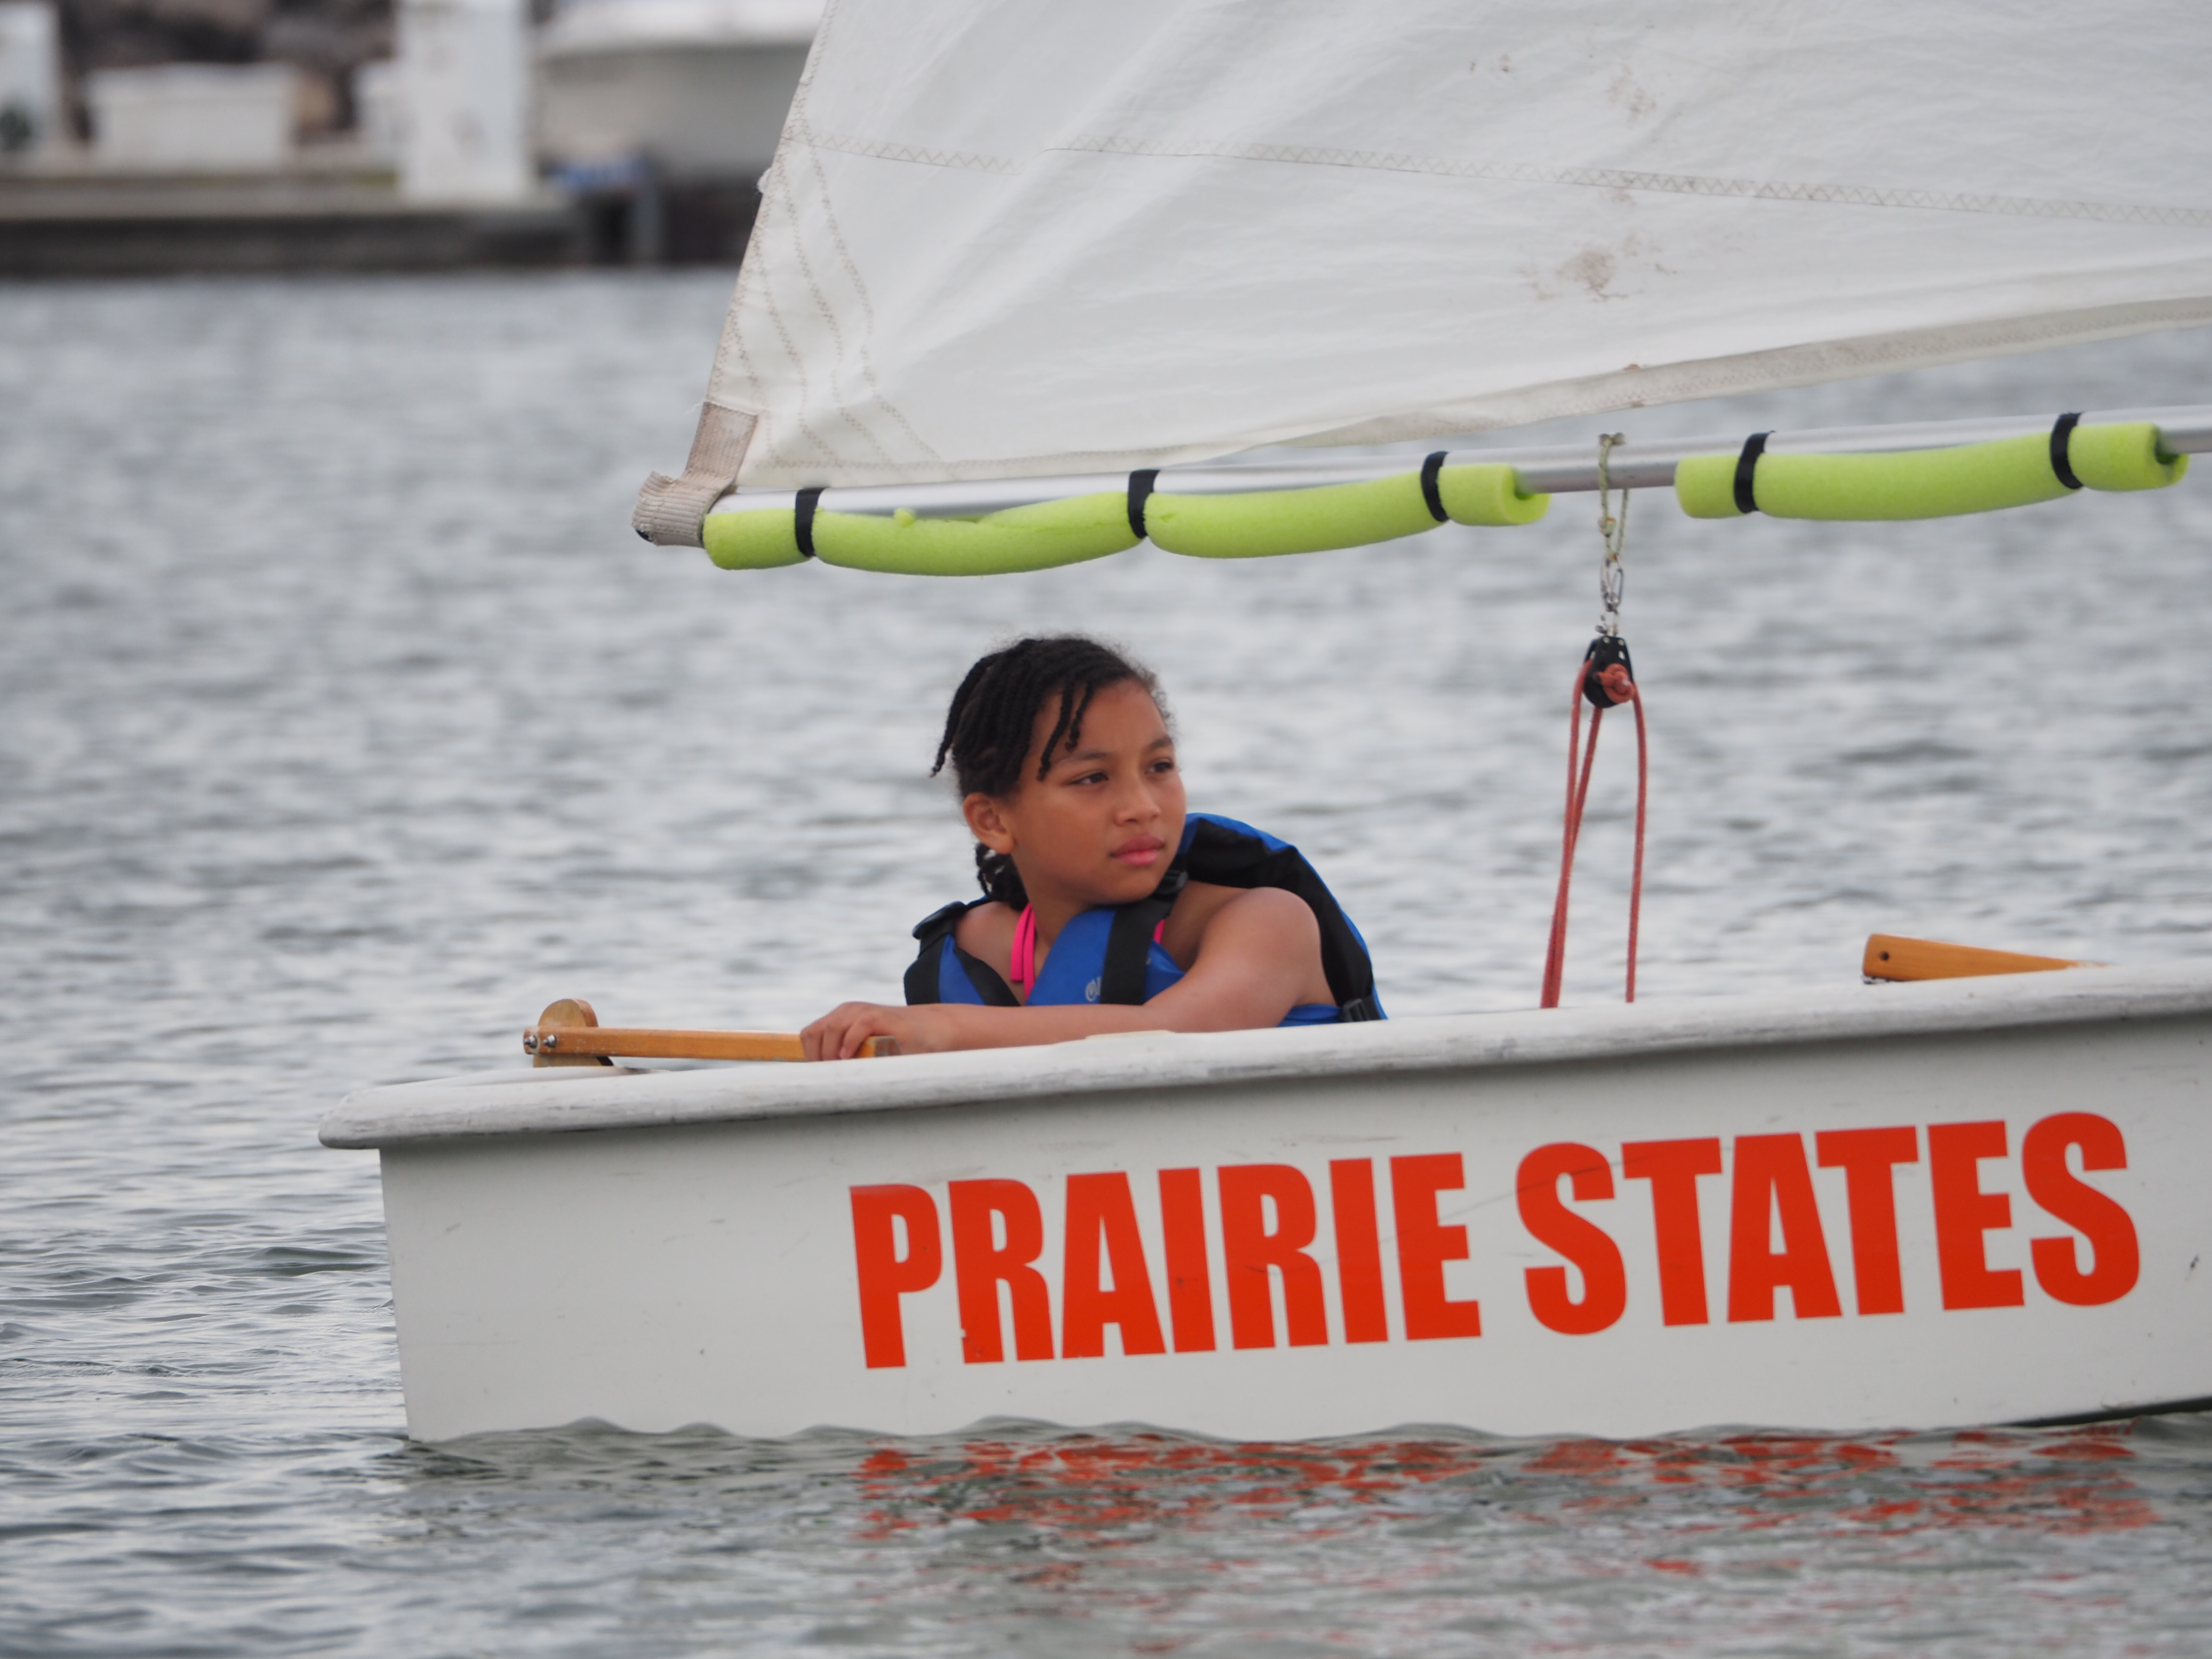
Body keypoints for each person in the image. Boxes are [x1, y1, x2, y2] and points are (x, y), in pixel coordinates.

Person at [801, 636, 1382, 1059]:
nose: (1142, 806)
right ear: (994, 821)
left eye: (1159, 767)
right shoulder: (975, 951)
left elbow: (1179, 1036)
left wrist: (942, 1030)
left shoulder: (1268, 923)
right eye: (1093, 779)